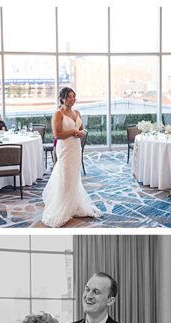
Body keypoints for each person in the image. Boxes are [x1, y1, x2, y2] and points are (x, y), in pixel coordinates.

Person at [41, 87, 103, 228]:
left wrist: (80, 133)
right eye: (70, 97)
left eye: (74, 96)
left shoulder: (77, 112)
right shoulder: (58, 114)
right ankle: (62, 205)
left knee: (74, 176)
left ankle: (74, 203)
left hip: (75, 148)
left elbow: (81, 129)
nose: (73, 99)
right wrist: (72, 131)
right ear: (63, 98)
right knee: (65, 175)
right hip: (65, 148)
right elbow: (57, 135)